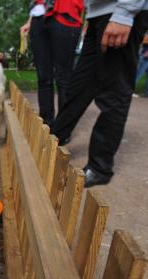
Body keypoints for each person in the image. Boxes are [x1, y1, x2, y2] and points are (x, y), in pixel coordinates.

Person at [51, 0, 148, 187]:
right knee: (78, 88)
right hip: (99, 13)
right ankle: (55, 137)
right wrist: (92, 13)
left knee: (113, 93)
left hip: (121, 10)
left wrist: (125, 12)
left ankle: (99, 167)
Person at [20, 0, 84, 126]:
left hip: (65, 13)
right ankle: (46, 123)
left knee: (64, 77)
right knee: (43, 77)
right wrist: (30, 20)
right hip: (38, 17)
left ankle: (63, 126)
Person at [135, 32, 148, 97]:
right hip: (144, 55)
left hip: (145, 55)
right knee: (138, 73)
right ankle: (130, 90)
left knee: (138, 73)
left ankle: (147, 93)